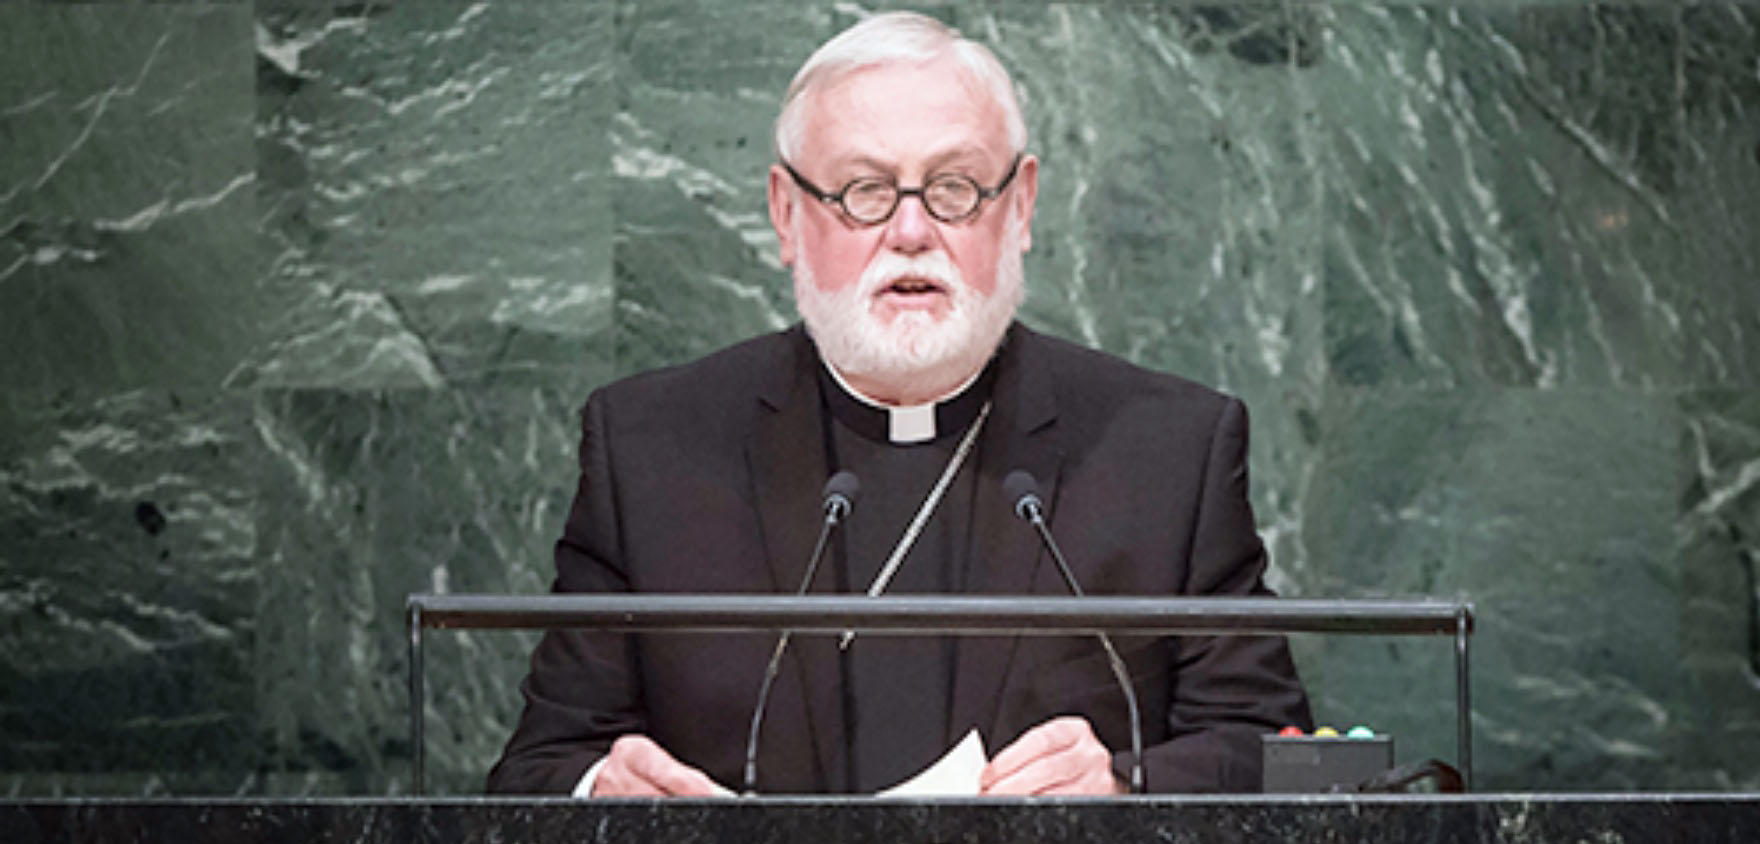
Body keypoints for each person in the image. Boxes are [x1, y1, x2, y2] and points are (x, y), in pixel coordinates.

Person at [487, 11, 1311, 797]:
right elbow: (541, 766)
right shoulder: (651, 449)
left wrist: (1126, 785)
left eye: (954, 187)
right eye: (863, 191)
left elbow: (1273, 748)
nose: (912, 231)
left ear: (1020, 206)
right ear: (786, 214)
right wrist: (605, 788)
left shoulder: (1165, 450)